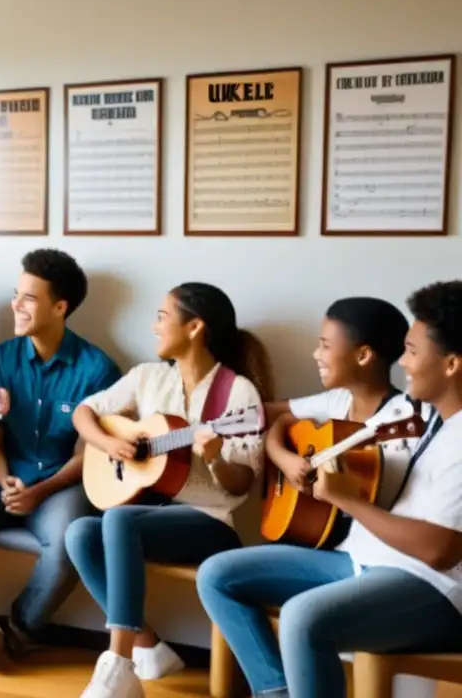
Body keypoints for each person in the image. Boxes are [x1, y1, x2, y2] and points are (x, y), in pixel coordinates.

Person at [196, 281, 462, 698]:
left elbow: (440, 551)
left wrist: (346, 499)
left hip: (435, 589)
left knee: (304, 616)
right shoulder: (435, 424)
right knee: (218, 573)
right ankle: (278, 691)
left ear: (451, 365)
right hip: (363, 559)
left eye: (412, 351)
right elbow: (279, 415)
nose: (404, 363)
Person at [65, 282, 273, 698]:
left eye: (162, 316)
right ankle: (148, 647)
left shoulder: (237, 394)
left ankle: (118, 664)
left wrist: (214, 456)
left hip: (210, 524)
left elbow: (244, 483)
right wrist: (108, 444)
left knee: (119, 519)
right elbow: (85, 412)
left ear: (194, 327)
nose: (154, 325)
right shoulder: (147, 377)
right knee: (79, 534)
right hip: (151, 511)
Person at [0, 249, 122, 657]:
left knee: (70, 543)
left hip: (63, 484)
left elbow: (91, 454)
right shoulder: (1, 359)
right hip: (4, 477)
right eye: (17, 294)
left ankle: (18, 629)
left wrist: (41, 491)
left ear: (60, 306)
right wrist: (5, 481)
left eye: (28, 297)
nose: (16, 304)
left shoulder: (98, 369)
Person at [263, 297, 421, 539]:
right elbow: (281, 417)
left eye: (325, 345)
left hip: (359, 542)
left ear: (363, 355)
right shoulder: (337, 400)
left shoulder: (400, 420)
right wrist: (284, 459)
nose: (316, 354)